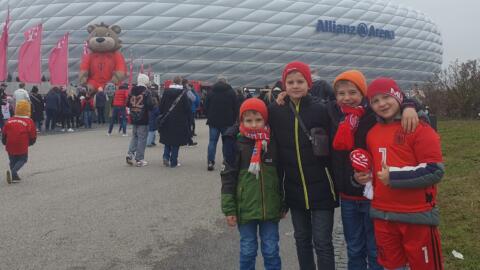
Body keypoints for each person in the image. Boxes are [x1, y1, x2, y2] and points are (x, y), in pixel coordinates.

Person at [355, 77, 445, 270]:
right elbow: (376, 168)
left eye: (386, 97)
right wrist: (364, 177)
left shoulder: (418, 127)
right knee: (391, 266)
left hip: (415, 215)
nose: (381, 104)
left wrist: (394, 177)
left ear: (398, 96)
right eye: (375, 101)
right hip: (383, 215)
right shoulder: (372, 133)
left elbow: (434, 170)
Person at [268, 61, 337, 270]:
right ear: (284, 85)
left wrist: (408, 105)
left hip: (323, 188)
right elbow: (247, 119)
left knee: (322, 242)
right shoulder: (275, 111)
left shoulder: (322, 109)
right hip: (294, 189)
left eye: (300, 81)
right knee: (302, 240)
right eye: (290, 82)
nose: (295, 85)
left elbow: (357, 105)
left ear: (309, 84)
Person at [221, 98, 284, 270]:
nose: (254, 124)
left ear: (265, 120)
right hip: (245, 209)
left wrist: (283, 204)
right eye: (248, 120)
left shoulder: (272, 143)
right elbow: (228, 178)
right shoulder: (236, 144)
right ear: (241, 121)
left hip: (270, 208)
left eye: (258, 120)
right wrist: (229, 209)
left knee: (271, 250)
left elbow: (281, 175)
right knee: (248, 250)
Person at [205, 76, 237, 171]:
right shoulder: (231, 92)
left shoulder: (211, 92)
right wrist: (234, 118)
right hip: (227, 121)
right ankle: (226, 162)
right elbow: (235, 107)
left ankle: (210, 162)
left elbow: (206, 106)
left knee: (212, 142)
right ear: (226, 82)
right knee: (226, 142)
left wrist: (209, 115)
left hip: (213, 121)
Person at [158, 76, 191, 168]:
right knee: (176, 142)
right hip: (179, 121)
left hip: (167, 119)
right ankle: (173, 162)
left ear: (173, 82)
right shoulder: (183, 93)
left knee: (167, 139)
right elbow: (187, 108)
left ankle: (165, 156)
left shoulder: (166, 92)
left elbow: (161, 107)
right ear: (180, 83)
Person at [2, 100, 37, 184]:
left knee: (13, 159)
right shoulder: (29, 121)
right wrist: (31, 142)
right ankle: (13, 172)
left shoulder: (10, 120)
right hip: (21, 143)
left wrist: (4, 141)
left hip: (9, 143)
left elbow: (4, 133)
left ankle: (14, 177)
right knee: (23, 159)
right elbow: (33, 134)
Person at [126, 74, 153, 167]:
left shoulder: (132, 90)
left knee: (135, 136)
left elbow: (127, 103)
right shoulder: (146, 92)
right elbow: (150, 105)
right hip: (143, 117)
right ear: (145, 81)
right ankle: (139, 159)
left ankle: (130, 154)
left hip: (133, 116)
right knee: (142, 139)